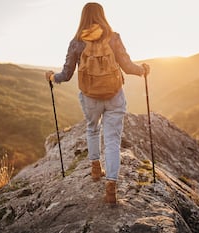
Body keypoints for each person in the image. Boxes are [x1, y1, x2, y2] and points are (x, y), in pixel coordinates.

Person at [45, 2, 150, 205]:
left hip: (90, 96)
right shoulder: (114, 37)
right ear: (103, 16)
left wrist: (52, 77)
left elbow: (66, 75)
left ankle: (95, 169)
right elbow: (127, 66)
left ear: (82, 18)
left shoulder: (76, 42)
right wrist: (142, 70)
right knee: (112, 140)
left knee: (93, 129)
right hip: (114, 95)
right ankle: (111, 187)